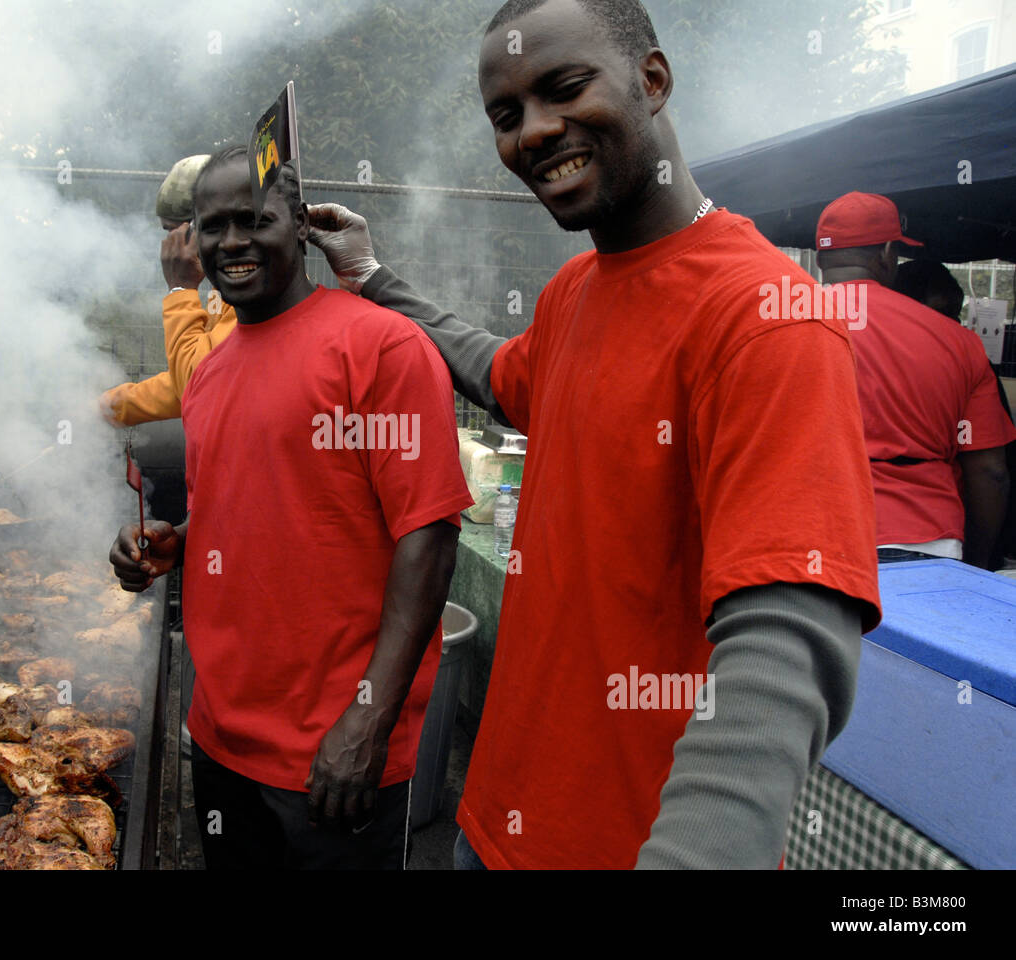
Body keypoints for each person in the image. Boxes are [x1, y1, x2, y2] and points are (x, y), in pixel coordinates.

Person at [308, 0, 883, 869]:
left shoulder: (770, 317)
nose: (534, 132)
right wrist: (375, 278)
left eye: (564, 89)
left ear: (651, 81)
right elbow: (502, 375)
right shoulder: (574, 291)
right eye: (506, 116)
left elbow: (787, 639)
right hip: (492, 820)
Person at [108, 146, 473, 869]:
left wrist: (369, 718)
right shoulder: (209, 373)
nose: (234, 242)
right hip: (218, 739)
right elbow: (245, 506)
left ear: (300, 225)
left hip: (332, 753)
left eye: (256, 219)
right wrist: (174, 540)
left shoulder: (383, 346)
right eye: (215, 227)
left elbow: (428, 536)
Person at [816, 193, 1014, 568]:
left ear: (821, 257)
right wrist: (976, 563)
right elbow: (990, 472)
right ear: (888, 253)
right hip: (924, 541)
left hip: (804, 540)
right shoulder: (959, 342)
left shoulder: (768, 324)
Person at [892, 256, 1016, 566]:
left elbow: (994, 469)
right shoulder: (965, 355)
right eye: (940, 314)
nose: (953, 326)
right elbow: (991, 471)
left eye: (955, 314)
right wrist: (980, 561)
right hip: (940, 540)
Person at [100, 154, 238, 426]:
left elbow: (197, 385)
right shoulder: (224, 287)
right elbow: (187, 376)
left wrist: (180, 288)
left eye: (175, 232)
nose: (171, 246)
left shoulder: (253, 293)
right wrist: (110, 406)